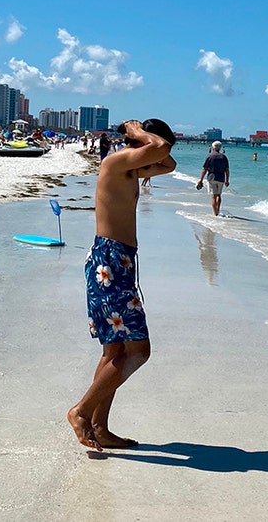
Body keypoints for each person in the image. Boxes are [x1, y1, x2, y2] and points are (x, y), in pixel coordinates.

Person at [68, 118, 177, 452]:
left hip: (119, 263)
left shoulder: (132, 171)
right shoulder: (115, 162)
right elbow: (161, 150)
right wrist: (139, 133)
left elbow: (168, 162)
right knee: (139, 351)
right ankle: (81, 411)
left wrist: (146, 139)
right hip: (109, 263)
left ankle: (100, 427)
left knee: (115, 351)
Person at [196, 141, 230, 216]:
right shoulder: (224, 157)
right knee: (218, 195)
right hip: (221, 178)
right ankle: (217, 210)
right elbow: (227, 170)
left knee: (213, 196)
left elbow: (205, 169)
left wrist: (201, 179)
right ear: (220, 148)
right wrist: (227, 180)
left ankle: (215, 214)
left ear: (213, 147)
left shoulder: (210, 156)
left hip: (211, 178)